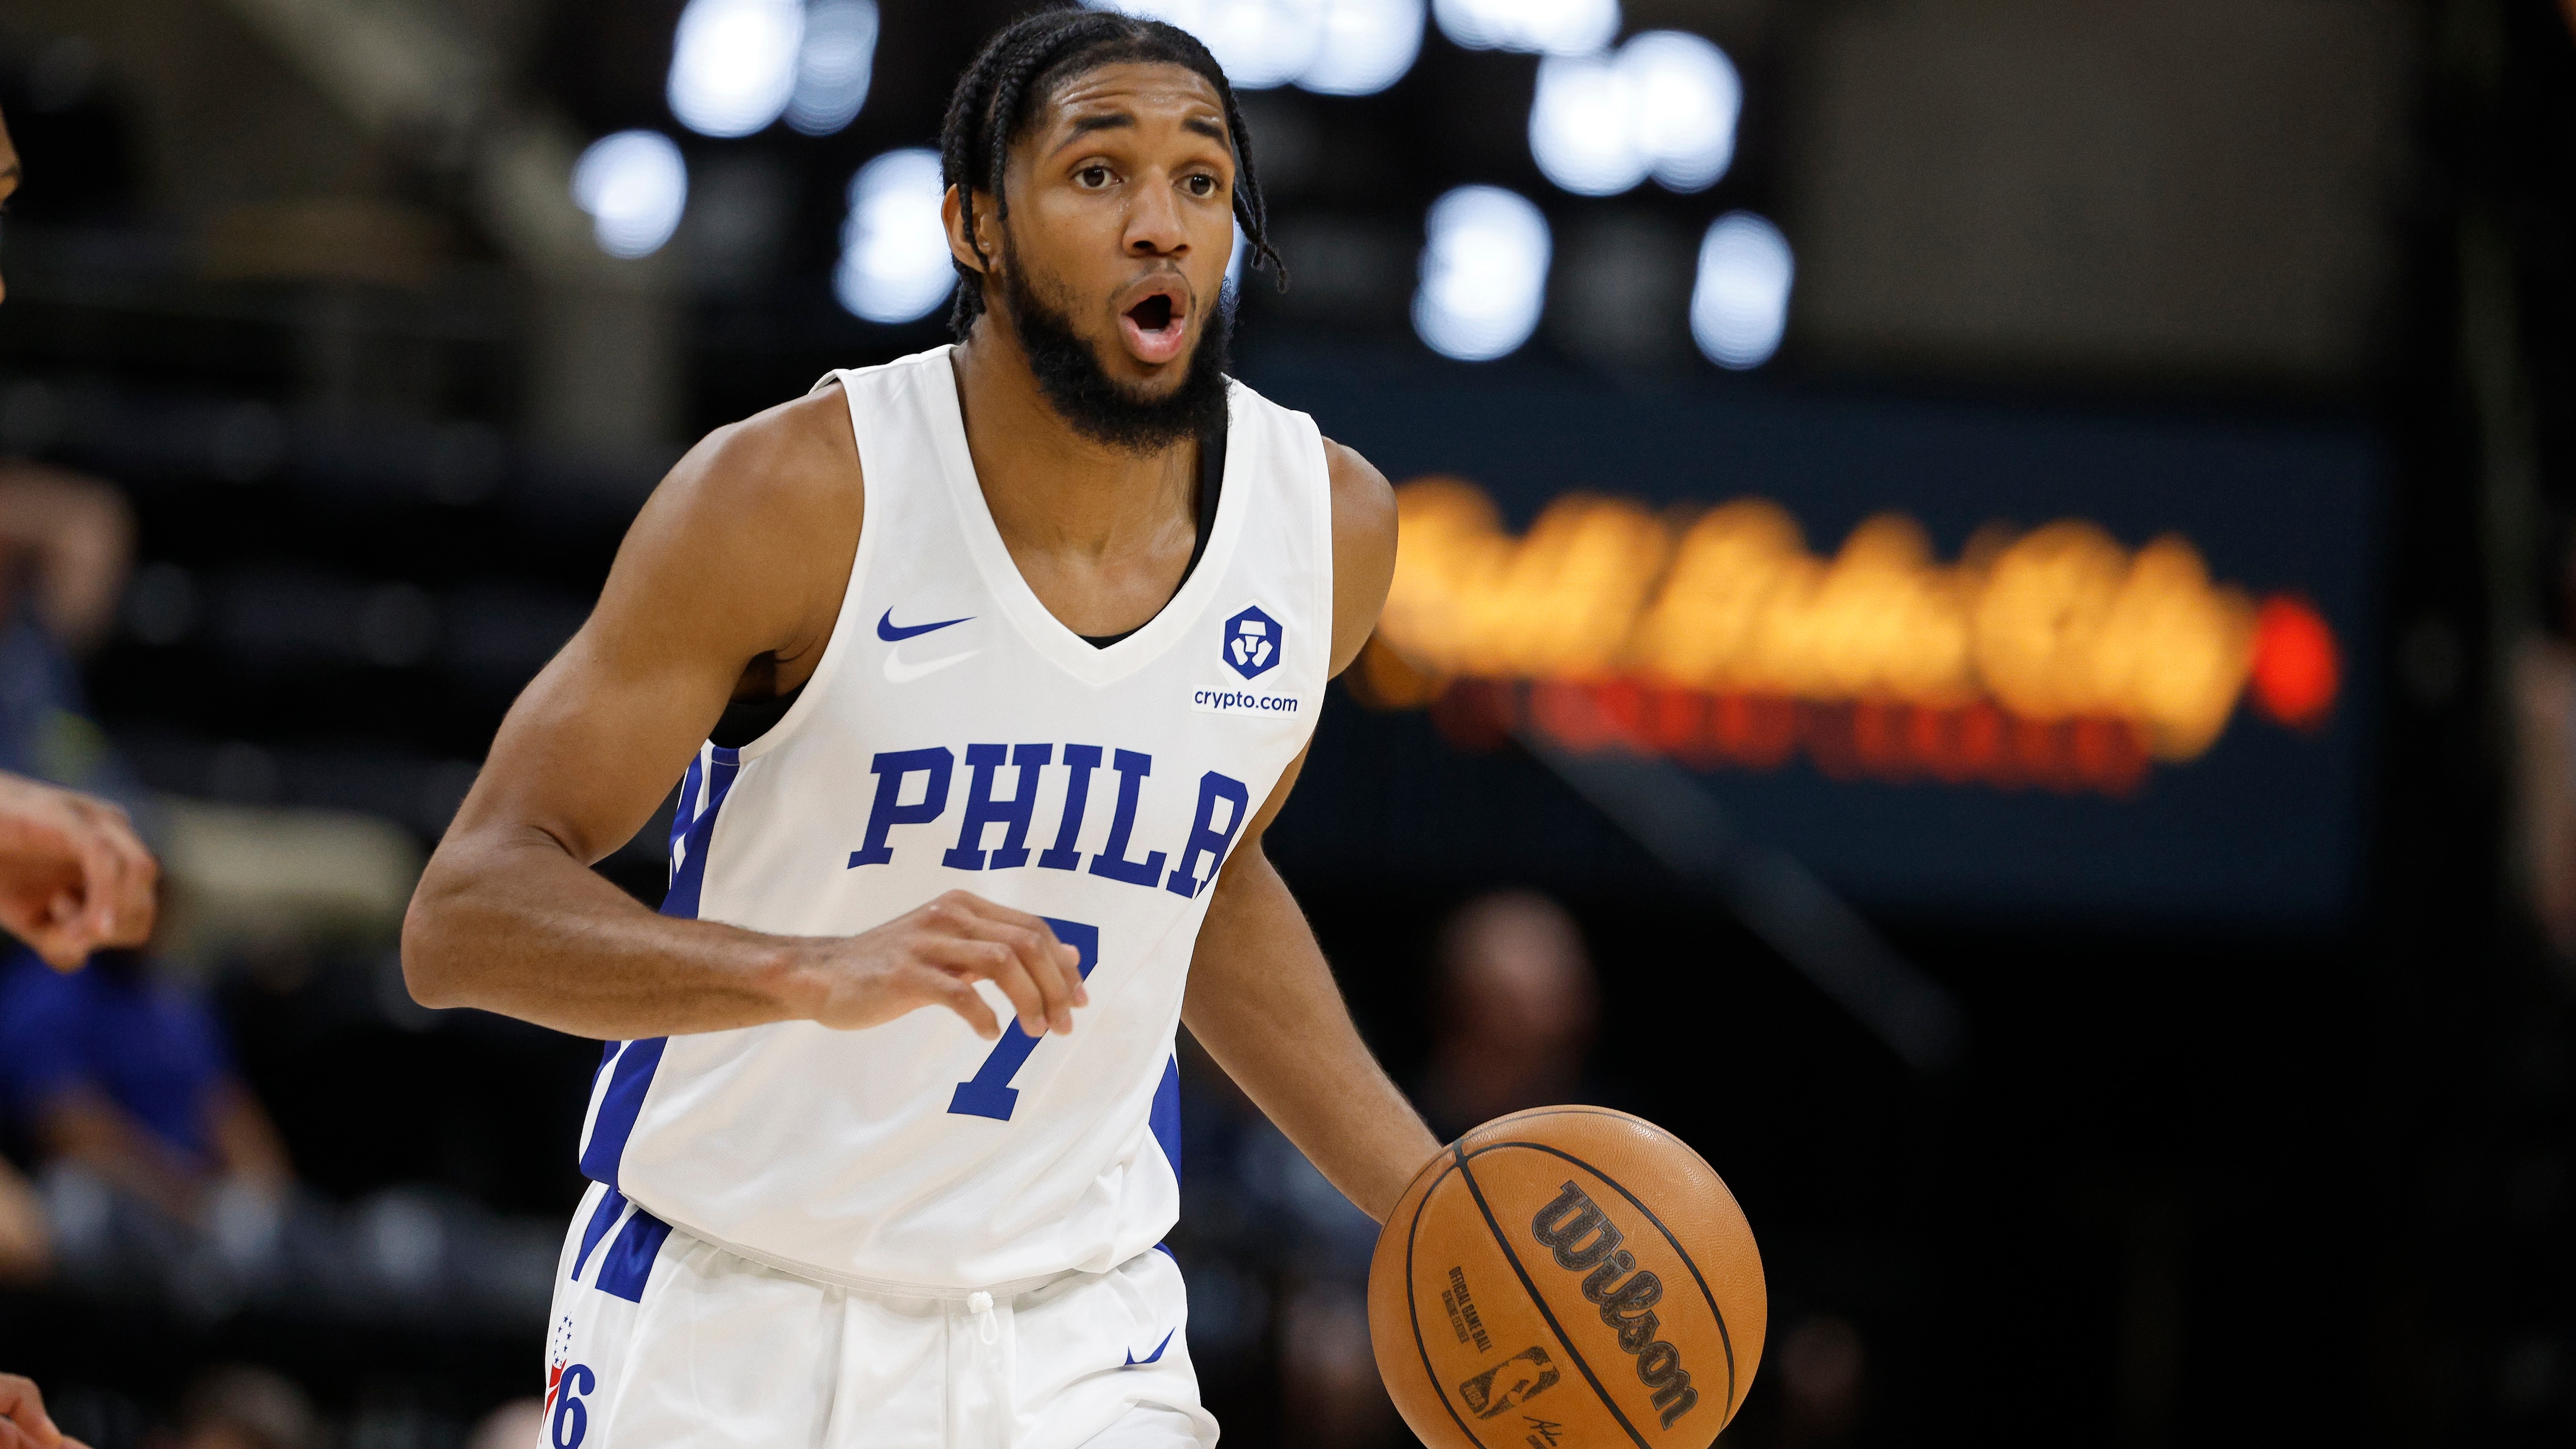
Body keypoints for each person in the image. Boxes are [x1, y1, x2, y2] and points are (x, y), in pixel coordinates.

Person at [401, 10, 1434, 1448]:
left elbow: (1209, 884)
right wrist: (805, 970)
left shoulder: (1327, 527)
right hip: (736, 1312)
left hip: (1079, 1332)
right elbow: (461, 917)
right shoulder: (790, 496)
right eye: (1097, 174)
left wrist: (1434, 1203)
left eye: (1201, 182)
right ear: (974, 228)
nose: (1160, 224)